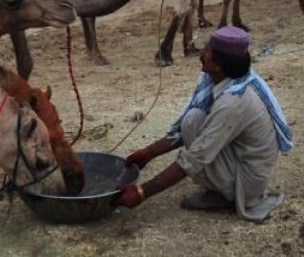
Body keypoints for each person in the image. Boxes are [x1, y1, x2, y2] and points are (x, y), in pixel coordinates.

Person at [112, 26, 293, 222]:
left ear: (218, 65)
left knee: (195, 136)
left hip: (246, 181)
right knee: (193, 119)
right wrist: (149, 153)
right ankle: (220, 190)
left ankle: (225, 195)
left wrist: (141, 192)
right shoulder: (227, 79)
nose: (201, 53)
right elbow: (196, 131)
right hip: (239, 159)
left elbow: (195, 157)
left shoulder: (233, 102)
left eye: (207, 50)